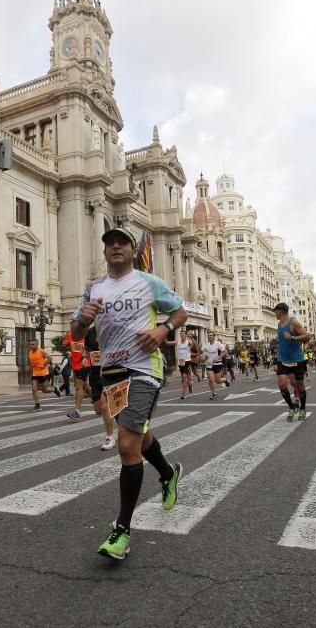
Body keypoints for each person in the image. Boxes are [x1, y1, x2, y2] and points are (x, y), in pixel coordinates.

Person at [71, 226, 187, 560]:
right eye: (110, 243)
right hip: (112, 375)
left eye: (122, 242)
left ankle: (121, 531)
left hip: (144, 370)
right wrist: (83, 318)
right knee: (138, 437)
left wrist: (162, 328)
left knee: (125, 445)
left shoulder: (148, 281)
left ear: (132, 251)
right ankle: (168, 473)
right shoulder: (94, 288)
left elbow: (180, 311)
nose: (116, 246)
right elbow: (75, 332)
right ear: (105, 252)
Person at [274, 303, 310, 422]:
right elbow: (281, 344)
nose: (275, 313)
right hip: (283, 360)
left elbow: (306, 336)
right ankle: (291, 407)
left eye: (276, 311)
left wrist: (293, 338)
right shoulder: (279, 325)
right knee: (282, 385)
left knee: (299, 385)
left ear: (281, 311)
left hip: (297, 359)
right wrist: (275, 360)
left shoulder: (293, 323)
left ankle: (303, 409)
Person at [82, 325, 115, 450]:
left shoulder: (111, 328)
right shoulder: (89, 332)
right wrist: (84, 357)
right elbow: (85, 348)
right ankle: (117, 412)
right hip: (95, 375)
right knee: (98, 411)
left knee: (104, 405)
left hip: (110, 373)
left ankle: (109, 437)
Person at [65, 332, 92, 420]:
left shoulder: (87, 335)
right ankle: (97, 400)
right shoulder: (70, 335)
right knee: (86, 387)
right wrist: (66, 345)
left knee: (78, 386)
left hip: (85, 364)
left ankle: (77, 411)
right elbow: (68, 348)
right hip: (75, 365)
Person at [28, 338, 55, 411]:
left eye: (33, 344)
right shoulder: (30, 353)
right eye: (30, 344)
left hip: (43, 373)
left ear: (37, 344)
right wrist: (30, 373)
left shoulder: (41, 351)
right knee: (34, 389)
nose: (31, 346)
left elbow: (50, 358)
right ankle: (37, 405)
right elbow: (31, 364)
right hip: (35, 374)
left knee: (44, 390)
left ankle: (54, 389)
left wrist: (44, 364)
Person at [165, 329, 193, 399]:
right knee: (184, 378)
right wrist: (164, 336)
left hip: (187, 361)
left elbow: (191, 344)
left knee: (184, 376)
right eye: (181, 333)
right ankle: (190, 384)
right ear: (180, 335)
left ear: (185, 335)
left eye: (184, 333)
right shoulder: (178, 342)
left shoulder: (188, 341)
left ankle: (183, 393)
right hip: (181, 361)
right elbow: (167, 343)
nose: (182, 334)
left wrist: (190, 339)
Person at [201, 331, 229, 401]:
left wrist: (218, 358)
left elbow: (225, 352)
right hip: (209, 365)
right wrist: (201, 355)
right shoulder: (206, 345)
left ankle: (225, 380)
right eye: (208, 335)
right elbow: (201, 352)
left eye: (211, 335)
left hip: (217, 364)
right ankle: (214, 394)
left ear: (214, 336)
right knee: (210, 379)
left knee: (218, 381)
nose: (209, 336)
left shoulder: (217, 344)